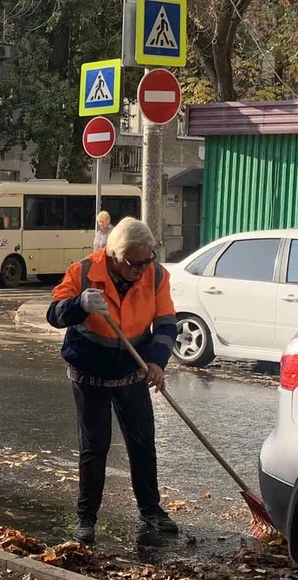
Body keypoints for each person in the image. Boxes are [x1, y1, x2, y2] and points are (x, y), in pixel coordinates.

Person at [46, 217, 179, 545]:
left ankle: (151, 510)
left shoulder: (156, 275)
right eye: (134, 263)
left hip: (132, 371)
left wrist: (156, 362)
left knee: (142, 444)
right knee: (95, 448)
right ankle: (86, 518)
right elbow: (54, 314)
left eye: (147, 260)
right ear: (114, 255)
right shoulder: (84, 272)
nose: (141, 269)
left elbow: (165, 324)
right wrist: (79, 305)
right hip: (89, 374)